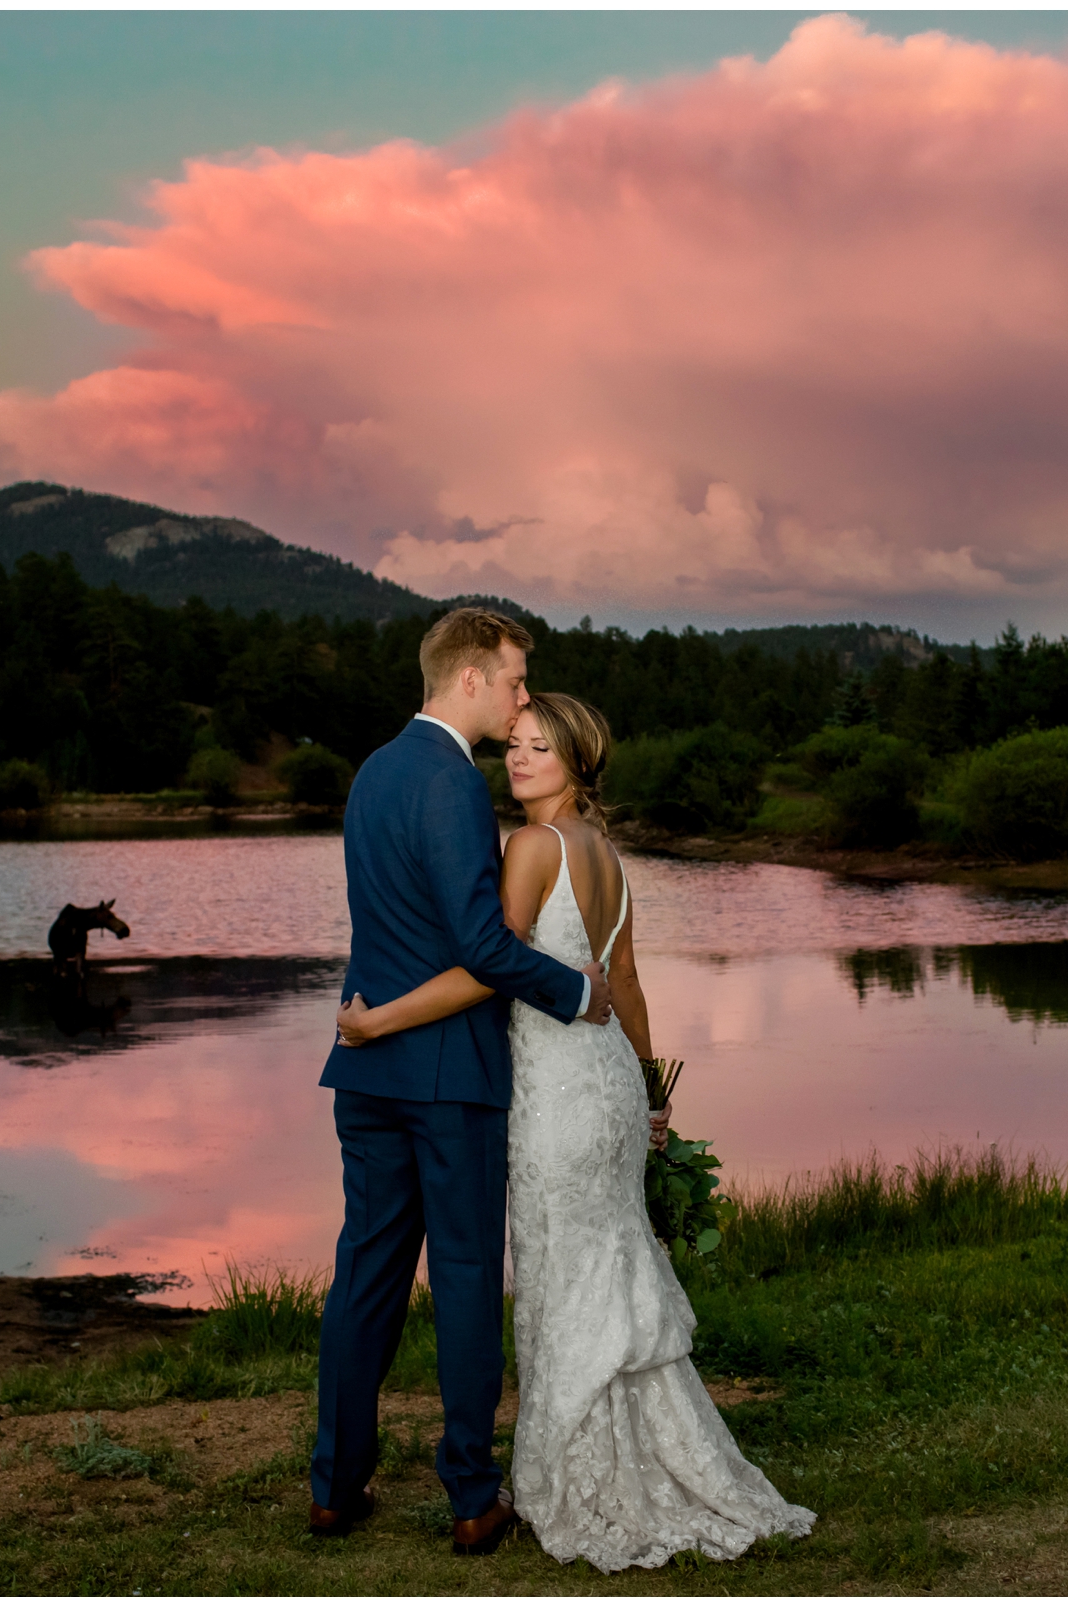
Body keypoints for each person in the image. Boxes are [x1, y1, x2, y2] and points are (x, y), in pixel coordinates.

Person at [337, 691, 816, 1572]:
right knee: (609, 1263)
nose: (518, 760)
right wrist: (647, 1086)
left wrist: (380, 1022)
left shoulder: (530, 845)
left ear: (577, 763)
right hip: (605, 1092)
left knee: (563, 1275)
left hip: (556, 1096)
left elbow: (491, 966)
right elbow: (625, 981)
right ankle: (628, 1452)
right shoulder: (610, 855)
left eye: (539, 749)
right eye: (513, 744)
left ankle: (568, 1474)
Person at [308, 608, 614, 1557]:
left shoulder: (373, 772)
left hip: (368, 1070)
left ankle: (334, 1486)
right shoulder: (450, 783)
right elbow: (483, 947)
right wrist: (576, 991)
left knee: (365, 1274)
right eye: (517, 680)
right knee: (471, 1279)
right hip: (451, 1083)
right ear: (473, 678)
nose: (525, 697)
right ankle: (472, 1496)